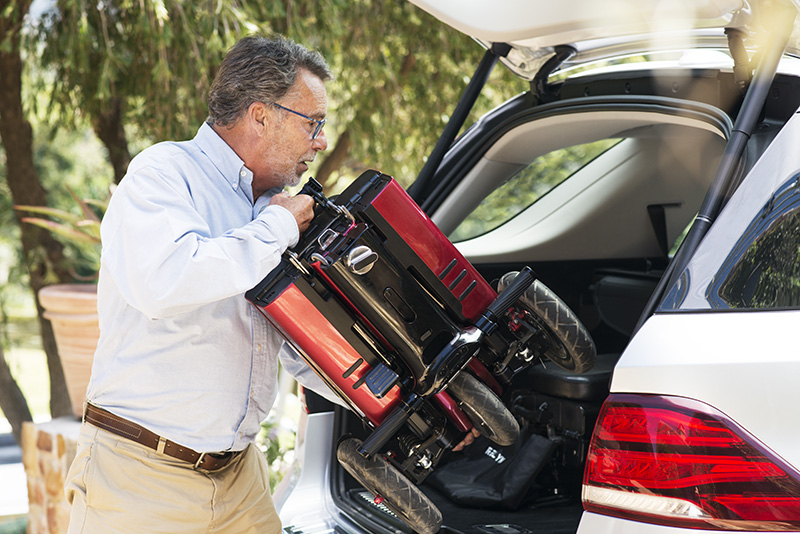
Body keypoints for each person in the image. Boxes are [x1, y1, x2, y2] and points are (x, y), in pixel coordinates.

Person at [64, 35, 342, 534]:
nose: (320, 142)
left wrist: (412, 401)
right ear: (261, 116)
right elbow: (165, 282)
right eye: (313, 123)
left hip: (240, 482)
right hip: (139, 479)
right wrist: (277, 228)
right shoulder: (163, 174)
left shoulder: (273, 208)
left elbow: (301, 347)